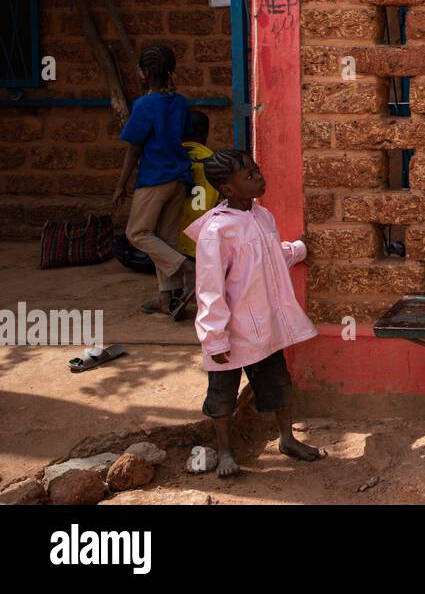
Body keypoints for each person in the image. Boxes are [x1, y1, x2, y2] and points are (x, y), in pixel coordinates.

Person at [183, 149, 321, 478]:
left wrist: (299, 249)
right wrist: (215, 338)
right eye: (248, 176)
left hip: (264, 325)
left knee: (277, 385)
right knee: (222, 394)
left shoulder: (262, 216)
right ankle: (226, 450)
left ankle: (287, 438)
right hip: (230, 330)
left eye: (256, 170)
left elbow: (269, 258)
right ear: (228, 190)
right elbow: (209, 289)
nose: (259, 177)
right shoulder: (217, 232)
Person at [112, 44, 195, 318]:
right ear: (171, 71)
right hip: (180, 177)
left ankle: (186, 268)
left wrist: (121, 185)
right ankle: (166, 298)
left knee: (137, 233)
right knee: (166, 237)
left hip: (154, 178)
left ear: (144, 73)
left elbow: (134, 149)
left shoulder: (144, 105)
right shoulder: (180, 102)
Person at [177, 109, 220, 261]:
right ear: (205, 134)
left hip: (172, 245)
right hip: (204, 245)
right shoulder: (216, 164)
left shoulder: (170, 160)